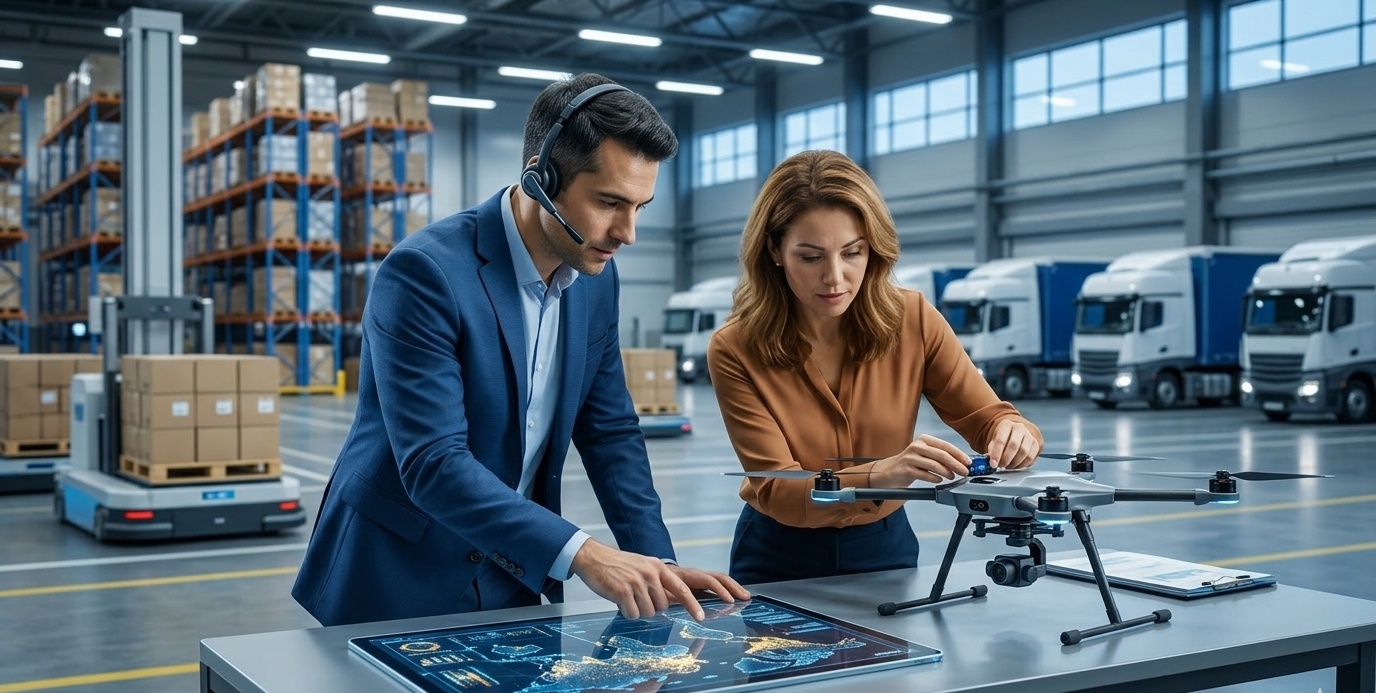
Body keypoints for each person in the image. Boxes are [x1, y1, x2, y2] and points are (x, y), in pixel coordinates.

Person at [293, 74, 748, 626]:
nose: (626, 233)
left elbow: (610, 433)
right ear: (540, 180)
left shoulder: (597, 277)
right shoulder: (424, 274)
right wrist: (585, 554)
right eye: (609, 203)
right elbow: (433, 463)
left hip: (513, 567)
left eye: (640, 207)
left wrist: (660, 568)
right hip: (397, 574)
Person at [706, 150, 1044, 585]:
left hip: (885, 545)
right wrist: (879, 474)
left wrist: (1016, 433)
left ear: (874, 250)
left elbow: (989, 418)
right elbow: (777, 488)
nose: (835, 277)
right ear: (774, 250)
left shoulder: (915, 319)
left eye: (852, 253)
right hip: (776, 551)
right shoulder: (735, 347)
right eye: (810, 257)